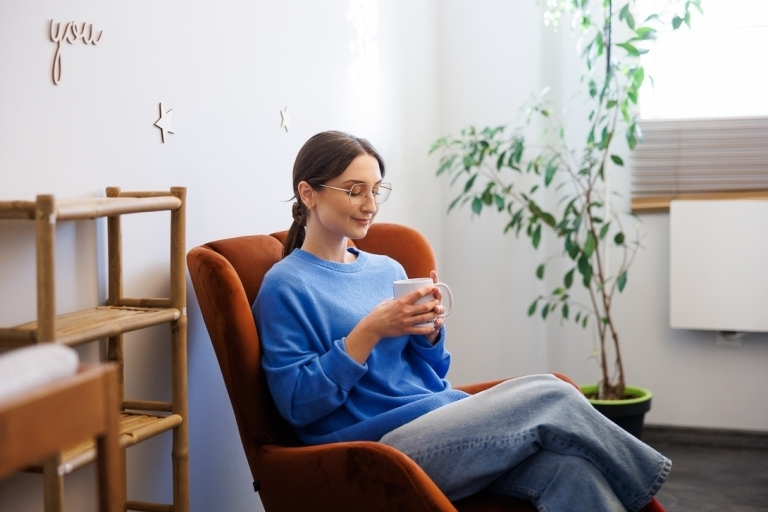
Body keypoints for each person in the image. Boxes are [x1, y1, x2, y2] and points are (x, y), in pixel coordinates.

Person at [252, 130, 671, 512]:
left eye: (377, 190)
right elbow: (298, 406)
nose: (371, 205)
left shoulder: (386, 269)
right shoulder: (285, 286)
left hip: (442, 421)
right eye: (355, 190)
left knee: (570, 472)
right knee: (553, 393)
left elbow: (433, 375)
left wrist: (428, 332)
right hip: (378, 451)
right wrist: (372, 329)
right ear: (308, 194)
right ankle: (652, 492)